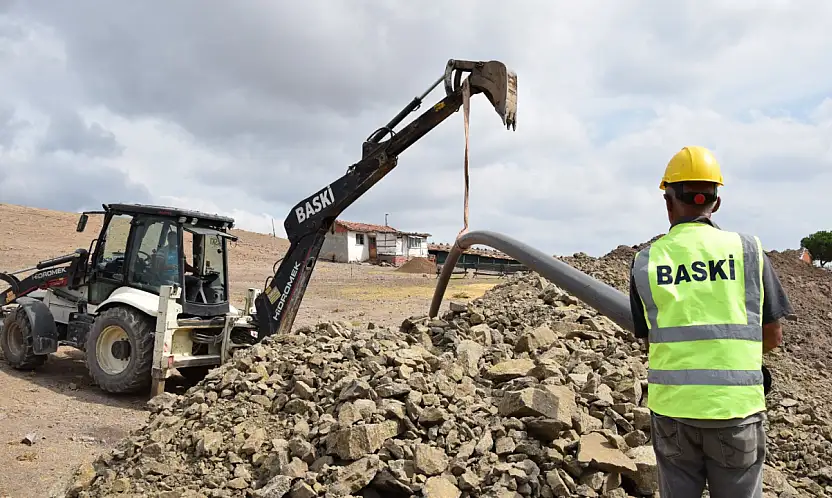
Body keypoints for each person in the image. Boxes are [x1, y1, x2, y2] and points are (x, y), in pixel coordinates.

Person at [628, 145, 793, 497]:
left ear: (668, 201)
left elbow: (650, 338)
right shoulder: (749, 252)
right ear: (716, 201)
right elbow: (772, 337)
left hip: (674, 413)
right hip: (736, 411)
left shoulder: (646, 262)